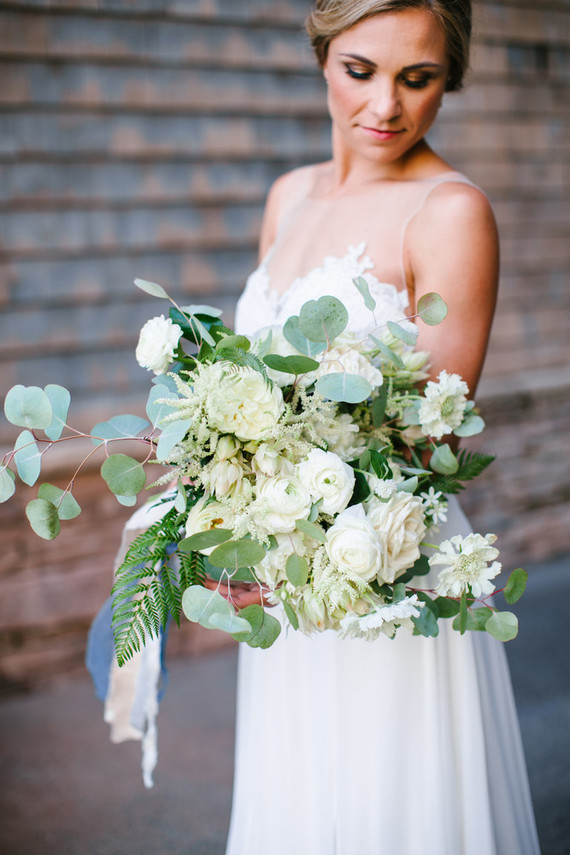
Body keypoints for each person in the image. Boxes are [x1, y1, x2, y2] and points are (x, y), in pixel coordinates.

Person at [224, 2, 541, 853]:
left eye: (419, 78)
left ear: (452, 79)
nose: (386, 107)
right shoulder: (287, 196)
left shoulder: (449, 213)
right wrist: (222, 519)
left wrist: (280, 515)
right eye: (361, 71)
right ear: (324, 56)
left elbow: (427, 440)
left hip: (386, 574)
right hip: (287, 587)